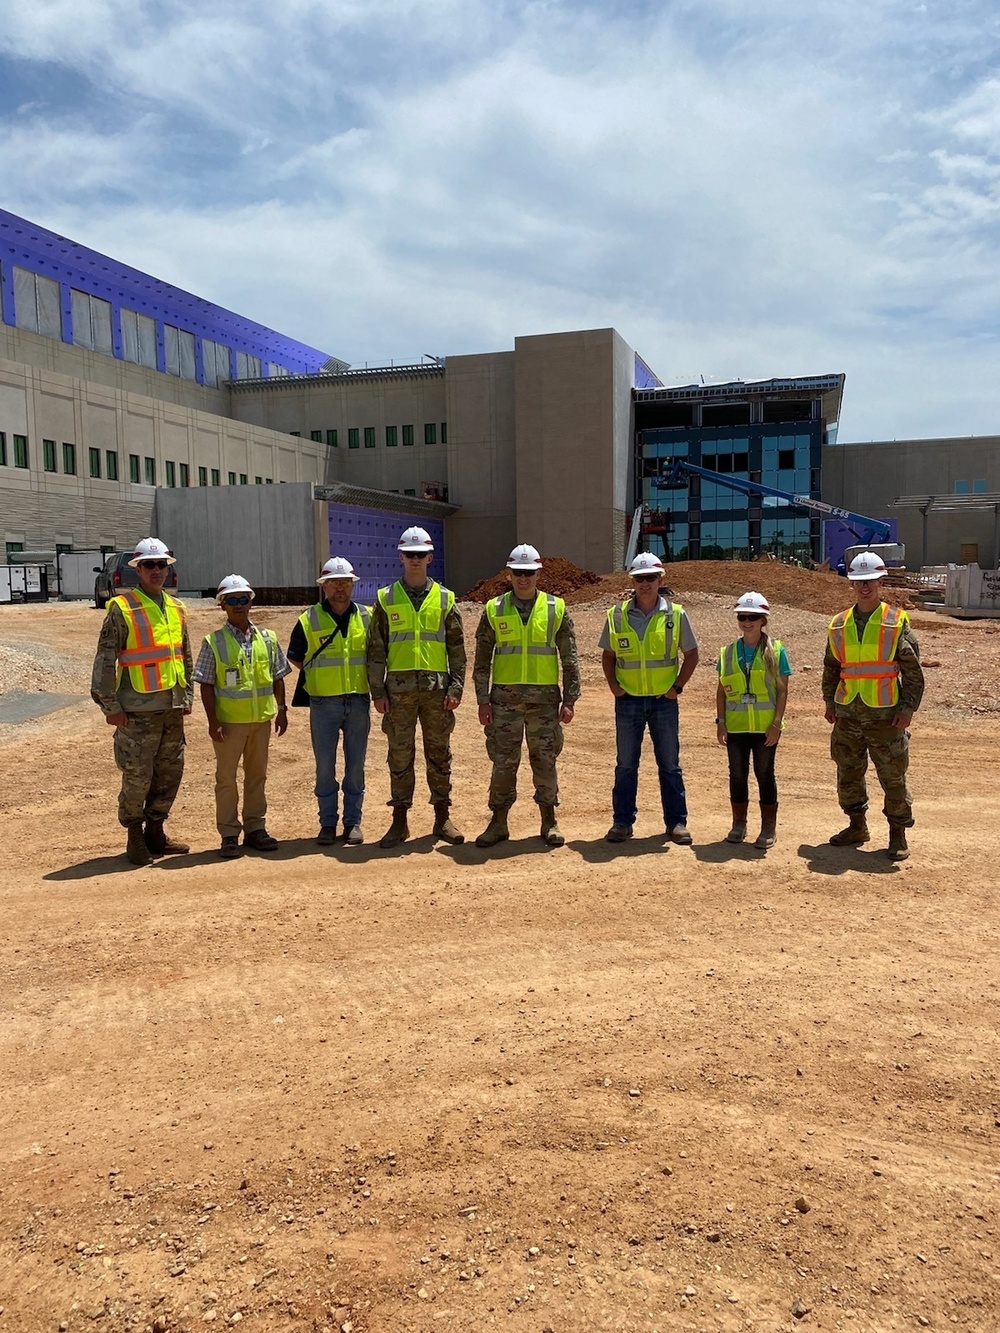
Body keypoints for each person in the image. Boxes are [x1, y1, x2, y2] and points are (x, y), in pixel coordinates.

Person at [90, 537, 192, 866]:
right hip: (136, 710)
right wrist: (110, 706)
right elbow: (106, 659)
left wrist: (186, 694)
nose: (157, 570)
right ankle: (135, 834)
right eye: (150, 564)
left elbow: (183, 655)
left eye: (162, 564)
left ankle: (156, 831)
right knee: (137, 775)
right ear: (138, 569)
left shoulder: (177, 608)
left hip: (171, 707)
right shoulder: (122, 608)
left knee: (169, 772)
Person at [472, 544, 580, 848]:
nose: (523, 578)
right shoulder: (493, 609)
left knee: (545, 760)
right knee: (503, 762)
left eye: (529, 573)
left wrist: (570, 700)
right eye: (518, 573)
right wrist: (482, 700)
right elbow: (482, 660)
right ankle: (498, 822)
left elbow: (570, 658)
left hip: (544, 702)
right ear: (510, 574)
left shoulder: (556, 608)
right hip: (504, 702)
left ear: (538, 574)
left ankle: (549, 821)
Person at [368, 526, 466, 848]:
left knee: (439, 754)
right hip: (399, 693)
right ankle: (400, 822)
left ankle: (442, 819)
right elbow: (376, 649)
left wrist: (456, 688)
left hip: (437, 692)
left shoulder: (446, 598)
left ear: (430, 557)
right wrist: (378, 692)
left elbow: (456, 648)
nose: (414, 559)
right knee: (399, 754)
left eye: (420, 554)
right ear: (401, 557)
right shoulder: (386, 599)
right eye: (409, 554)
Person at [823, 550, 924, 860]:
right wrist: (830, 702)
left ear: (880, 580)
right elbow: (831, 668)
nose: (864, 587)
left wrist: (908, 707)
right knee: (848, 773)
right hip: (848, 714)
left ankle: (897, 834)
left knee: (892, 776)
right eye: (858, 581)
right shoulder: (838, 624)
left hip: (886, 715)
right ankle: (857, 826)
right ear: (851, 584)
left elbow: (913, 671)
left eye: (869, 581)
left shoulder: (895, 621)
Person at [600, 552, 699, 844]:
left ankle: (677, 823)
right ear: (633, 581)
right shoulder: (617, 615)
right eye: (640, 578)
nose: (645, 584)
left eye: (651, 578)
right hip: (628, 700)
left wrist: (676, 688)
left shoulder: (676, 615)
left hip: (663, 702)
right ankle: (622, 822)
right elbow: (608, 656)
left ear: (660, 580)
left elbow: (692, 655)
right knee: (626, 764)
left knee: (669, 764)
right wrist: (613, 686)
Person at [193, 575, 290, 858]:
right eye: (232, 600)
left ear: (250, 602)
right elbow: (206, 683)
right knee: (226, 778)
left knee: (257, 776)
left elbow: (278, 676)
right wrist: (213, 722)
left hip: (261, 721)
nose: (239, 605)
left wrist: (281, 710)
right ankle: (229, 834)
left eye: (243, 599)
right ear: (222, 605)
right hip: (229, 724)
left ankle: (255, 829)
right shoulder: (214, 642)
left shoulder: (268, 639)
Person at [287, 557, 372, 846]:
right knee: (325, 766)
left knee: (356, 766)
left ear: (352, 586)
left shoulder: (368, 617)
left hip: (359, 701)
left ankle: (352, 823)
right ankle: (327, 823)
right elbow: (296, 657)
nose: (340, 588)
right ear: (324, 586)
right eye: (334, 583)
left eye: (345, 582)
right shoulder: (308, 620)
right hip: (324, 704)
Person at [715, 592, 791, 850]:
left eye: (753, 617)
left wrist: (776, 724)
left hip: (764, 728)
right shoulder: (727, 653)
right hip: (736, 727)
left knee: (764, 775)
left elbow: (782, 690)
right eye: (742, 617)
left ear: (763, 621)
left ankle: (768, 828)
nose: (747, 622)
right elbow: (720, 690)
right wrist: (720, 721)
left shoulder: (776, 651)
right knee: (737, 776)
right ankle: (739, 824)